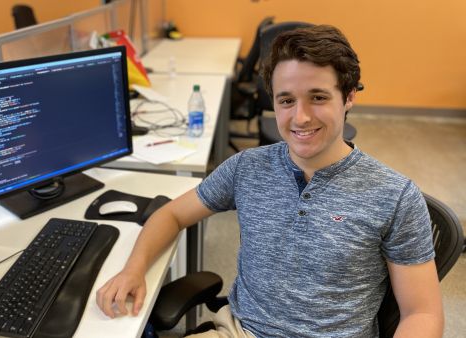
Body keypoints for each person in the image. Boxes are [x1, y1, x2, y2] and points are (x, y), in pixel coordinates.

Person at [96, 25, 444, 337]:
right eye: (286, 100)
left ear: (349, 96)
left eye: (318, 97)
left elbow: (423, 313)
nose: (301, 117)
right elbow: (171, 215)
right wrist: (133, 270)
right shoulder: (248, 167)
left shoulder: (394, 195)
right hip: (240, 331)